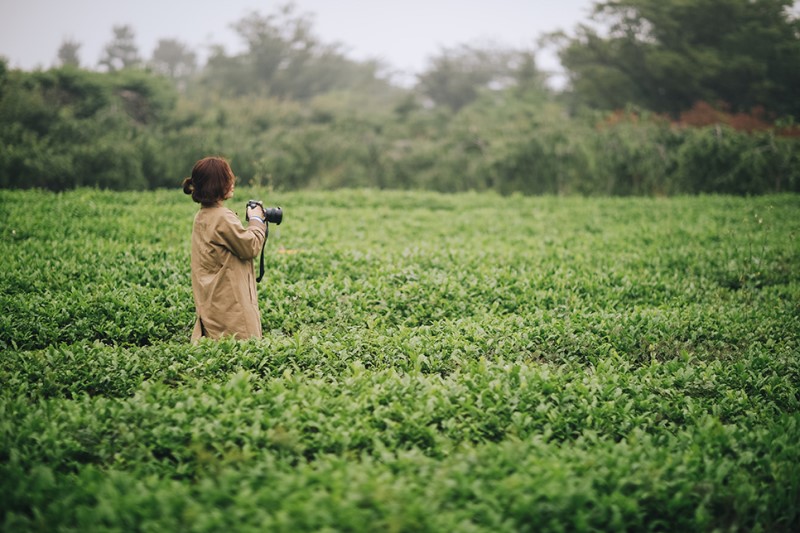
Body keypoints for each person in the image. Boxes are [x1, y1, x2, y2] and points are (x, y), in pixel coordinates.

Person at [182, 156, 268, 341]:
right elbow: (250, 247)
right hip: (232, 309)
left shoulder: (202, 215)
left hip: (214, 303)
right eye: (228, 177)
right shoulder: (221, 217)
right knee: (243, 356)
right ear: (217, 184)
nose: (232, 181)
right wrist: (257, 220)